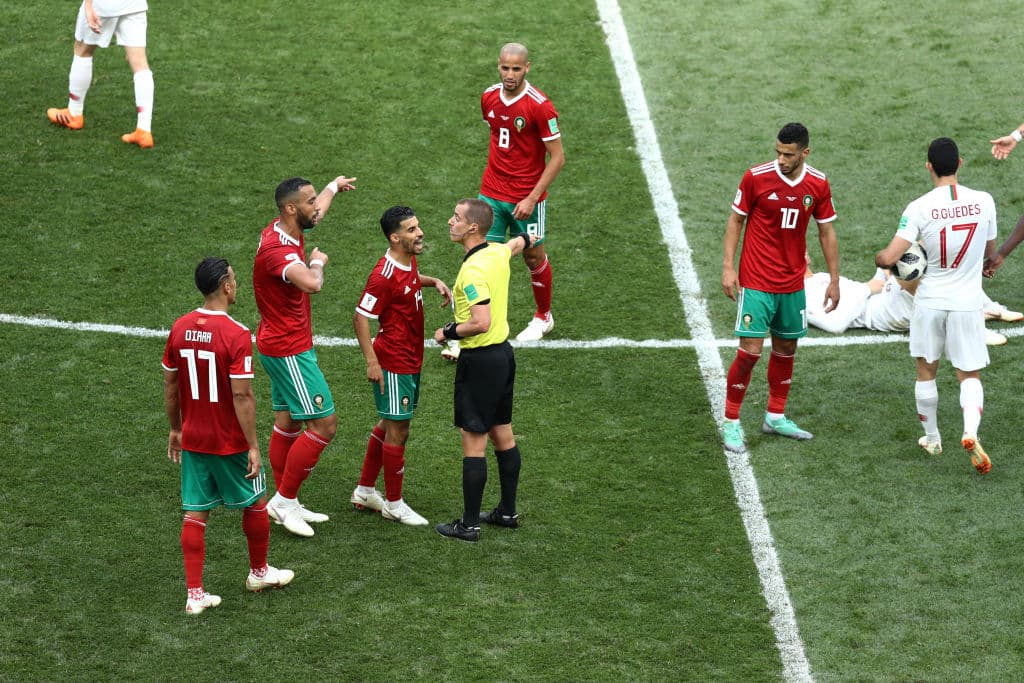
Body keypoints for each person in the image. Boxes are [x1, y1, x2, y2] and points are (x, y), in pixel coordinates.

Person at [163, 257, 294, 615]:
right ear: (225, 285)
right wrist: (253, 445)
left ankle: (195, 594)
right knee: (256, 502)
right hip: (228, 441)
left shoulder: (180, 327)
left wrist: (175, 428)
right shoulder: (235, 333)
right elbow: (242, 395)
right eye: (234, 279)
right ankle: (259, 573)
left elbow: (171, 384)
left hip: (194, 439)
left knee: (195, 513)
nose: (237, 285)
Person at [875, 137, 996, 474]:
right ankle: (970, 432)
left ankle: (932, 438)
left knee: (926, 370)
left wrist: (882, 258)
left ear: (928, 166)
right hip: (967, 302)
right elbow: (989, 251)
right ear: (960, 163)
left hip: (929, 301)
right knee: (968, 374)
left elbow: (889, 256)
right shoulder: (984, 201)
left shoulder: (918, 207)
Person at [720, 122, 840, 453]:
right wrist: (728, 266)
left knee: (786, 349)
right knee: (750, 351)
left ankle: (775, 416)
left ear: (805, 153)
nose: (781, 160)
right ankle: (731, 421)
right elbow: (736, 220)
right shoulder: (756, 177)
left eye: (788, 154)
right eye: (778, 153)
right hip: (756, 279)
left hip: (792, 282)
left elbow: (826, 232)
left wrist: (834, 279)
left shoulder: (818, 183)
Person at [253, 174, 357, 537]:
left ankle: (287, 501)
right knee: (324, 425)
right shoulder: (277, 250)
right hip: (288, 349)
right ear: (290, 208)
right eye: (309, 202)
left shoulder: (288, 225)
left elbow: (317, 212)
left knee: (288, 423)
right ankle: (283, 501)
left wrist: (333, 187)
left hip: (280, 342)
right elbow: (313, 284)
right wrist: (317, 262)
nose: (316, 208)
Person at [447, 41, 564, 360]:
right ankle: (466, 330)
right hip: (491, 194)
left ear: (527, 68)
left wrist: (532, 197)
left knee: (532, 257)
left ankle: (543, 317)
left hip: (526, 199)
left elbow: (557, 158)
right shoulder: (488, 97)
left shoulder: (540, 106)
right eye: (504, 68)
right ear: (498, 65)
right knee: (479, 260)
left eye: (516, 69)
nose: (509, 74)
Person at [432, 198, 531, 542]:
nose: (450, 221)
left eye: (456, 217)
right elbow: (518, 244)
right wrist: (528, 236)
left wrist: (447, 332)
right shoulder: (497, 252)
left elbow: (480, 321)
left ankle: (469, 525)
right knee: (503, 435)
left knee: (473, 442)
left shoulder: (473, 271)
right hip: (503, 357)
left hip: (480, 361)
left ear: (473, 227)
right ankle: (507, 512)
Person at [352, 206, 452, 526]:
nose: (419, 233)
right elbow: (360, 318)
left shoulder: (407, 260)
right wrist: (372, 362)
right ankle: (394, 504)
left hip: (409, 358)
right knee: (399, 429)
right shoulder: (382, 277)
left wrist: (433, 281)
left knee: (388, 423)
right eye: (411, 230)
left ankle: (365, 490)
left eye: (418, 227)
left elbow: (408, 282)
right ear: (395, 238)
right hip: (393, 361)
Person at [805, 258, 1018, 344]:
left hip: (881, 297)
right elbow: (835, 324)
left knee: (924, 249)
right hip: (877, 313)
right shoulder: (800, 292)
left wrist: (882, 273)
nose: (803, 249)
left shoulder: (820, 276)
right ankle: (970, 327)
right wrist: (867, 288)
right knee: (913, 267)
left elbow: (863, 288)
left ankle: (987, 306)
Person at [46, 0, 155, 148]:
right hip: (135, 4)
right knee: (139, 62)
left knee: (82, 50)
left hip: (104, 5)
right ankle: (144, 130)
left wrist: (88, 6)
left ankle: (74, 113)